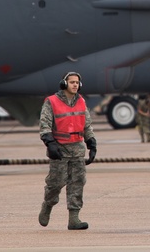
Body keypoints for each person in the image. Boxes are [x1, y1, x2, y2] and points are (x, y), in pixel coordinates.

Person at [38, 71, 97, 230]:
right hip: (60, 147)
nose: (75, 85)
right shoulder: (52, 102)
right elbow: (44, 125)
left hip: (77, 148)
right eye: (72, 82)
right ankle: (47, 206)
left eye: (77, 82)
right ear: (64, 84)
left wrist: (91, 143)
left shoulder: (81, 102)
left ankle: (74, 218)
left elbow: (87, 125)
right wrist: (50, 143)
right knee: (56, 183)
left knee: (77, 183)